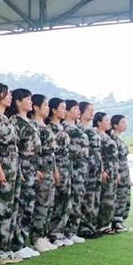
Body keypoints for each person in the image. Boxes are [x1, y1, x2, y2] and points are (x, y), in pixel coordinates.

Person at [0, 83, 21, 264]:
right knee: (1, 209)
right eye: (6, 94)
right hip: (3, 167)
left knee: (11, 209)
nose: (10, 97)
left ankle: (6, 248)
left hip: (13, 167)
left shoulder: (6, 118)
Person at [7, 88, 41, 259]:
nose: (31, 102)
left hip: (33, 165)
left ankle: (22, 241)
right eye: (27, 99)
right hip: (23, 164)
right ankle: (16, 243)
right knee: (20, 205)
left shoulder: (31, 122)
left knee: (29, 206)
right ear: (18, 102)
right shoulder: (15, 121)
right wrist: (19, 169)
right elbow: (16, 148)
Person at [28, 95, 59, 253]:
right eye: (45, 105)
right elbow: (34, 150)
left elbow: (52, 153)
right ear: (36, 107)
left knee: (49, 202)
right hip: (40, 165)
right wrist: (38, 169)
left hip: (49, 166)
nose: (48, 108)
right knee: (40, 202)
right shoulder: (34, 125)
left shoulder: (45, 126)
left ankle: (43, 235)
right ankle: (36, 237)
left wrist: (55, 170)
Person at [47, 98, 72, 247]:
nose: (65, 111)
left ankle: (59, 232)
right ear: (54, 110)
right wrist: (55, 169)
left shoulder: (62, 127)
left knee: (65, 200)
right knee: (56, 200)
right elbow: (52, 152)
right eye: (62, 108)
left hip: (66, 166)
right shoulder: (51, 128)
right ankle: (52, 233)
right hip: (58, 166)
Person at [63, 100, 88, 245]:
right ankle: (67, 231)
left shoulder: (78, 127)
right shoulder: (65, 127)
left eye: (79, 109)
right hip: (73, 166)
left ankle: (73, 230)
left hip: (82, 167)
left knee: (79, 197)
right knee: (71, 198)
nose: (78, 111)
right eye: (74, 109)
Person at [78, 102, 103, 238]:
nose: (92, 113)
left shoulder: (92, 130)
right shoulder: (79, 128)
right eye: (89, 110)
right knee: (86, 197)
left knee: (95, 197)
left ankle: (91, 225)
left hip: (96, 167)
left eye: (93, 110)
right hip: (86, 167)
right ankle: (84, 227)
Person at [95, 112, 118, 234]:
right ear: (99, 122)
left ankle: (107, 223)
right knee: (104, 198)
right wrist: (102, 170)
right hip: (106, 170)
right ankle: (101, 224)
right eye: (106, 120)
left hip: (112, 170)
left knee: (111, 198)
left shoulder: (107, 136)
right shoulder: (98, 136)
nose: (109, 123)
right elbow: (99, 154)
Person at [110, 115, 132, 233]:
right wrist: (117, 173)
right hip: (119, 171)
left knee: (125, 196)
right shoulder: (113, 139)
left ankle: (121, 220)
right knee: (119, 196)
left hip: (125, 171)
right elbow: (114, 158)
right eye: (122, 122)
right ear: (115, 125)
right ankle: (116, 221)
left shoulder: (120, 139)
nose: (125, 124)